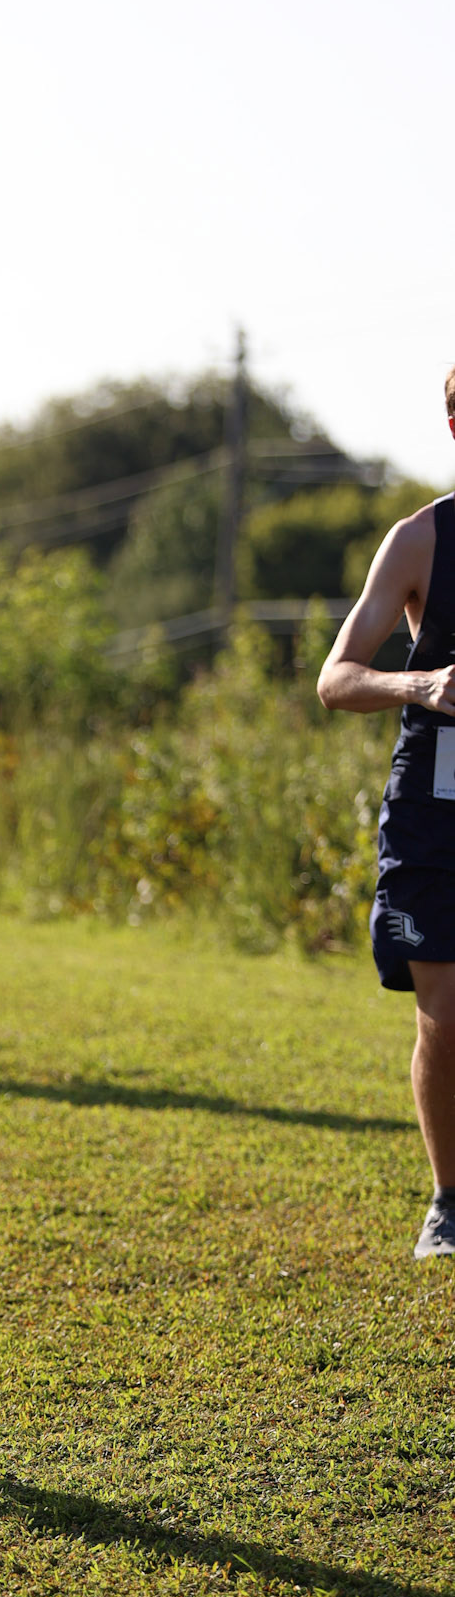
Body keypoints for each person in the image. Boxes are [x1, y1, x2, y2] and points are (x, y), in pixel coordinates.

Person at [319, 362, 455, 1256]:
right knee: (444, 1008)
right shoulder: (418, 541)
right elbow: (335, 677)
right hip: (435, 808)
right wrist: (420, 682)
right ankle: (450, 1199)